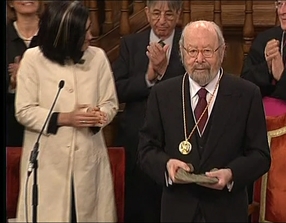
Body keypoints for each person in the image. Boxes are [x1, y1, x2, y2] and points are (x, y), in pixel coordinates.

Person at [138, 20, 271, 222]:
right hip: (178, 211)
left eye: (207, 51)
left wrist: (231, 174)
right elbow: (146, 149)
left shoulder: (247, 94)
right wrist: (166, 165)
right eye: (192, 51)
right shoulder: (163, 93)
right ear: (182, 52)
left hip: (226, 210)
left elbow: (261, 155)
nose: (199, 59)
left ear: (222, 51)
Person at [14, 1, 118, 222]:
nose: (91, 36)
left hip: (87, 162)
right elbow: (23, 110)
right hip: (48, 166)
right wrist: (66, 118)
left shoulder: (97, 57)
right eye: (85, 31)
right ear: (66, 35)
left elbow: (111, 103)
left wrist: (99, 115)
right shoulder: (33, 60)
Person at [112, 0, 185, 221]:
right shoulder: (131, 44)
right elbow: (116, 88)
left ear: (179, 14)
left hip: (177, 138)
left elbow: (195, 86)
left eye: (169, 14)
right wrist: (148, 77)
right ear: (146, 13)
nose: (162, 21)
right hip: (137, 139)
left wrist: (164, 72)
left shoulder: (190, 42)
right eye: (156, 13)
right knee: (139, 206)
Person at [6, 0, 42, 147]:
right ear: (11, 3)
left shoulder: (52, 35)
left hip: (46, 118)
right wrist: (13, 83)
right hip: (11, 122)